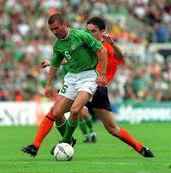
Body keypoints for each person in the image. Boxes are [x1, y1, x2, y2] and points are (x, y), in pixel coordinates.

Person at [23, 16, 154, 158]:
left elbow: (120, 58)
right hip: (79, 83)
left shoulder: (106, 47)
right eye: (88, 30)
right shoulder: (84, 41)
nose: (89, 33)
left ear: (102, 31)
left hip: (98, 88)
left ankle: (140, 148)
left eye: (93, 31)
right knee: (57, 111)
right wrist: (53, 63)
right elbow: (74, 58)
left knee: (113, 129)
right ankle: (59, 142)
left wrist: (113, 45)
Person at [22, 14, 107, 156]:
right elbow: (55, 64)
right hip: (72, 78)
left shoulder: (80, 35)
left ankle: (65, 142)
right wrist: (48, 85)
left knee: (75, 111)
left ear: (63, 25)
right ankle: (69, 140)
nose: (54, 32)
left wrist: (103, 74)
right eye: (51, 30)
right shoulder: (58, 45)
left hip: (88, 76)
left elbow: (102, 51)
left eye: (56, 28)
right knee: (56, 113)